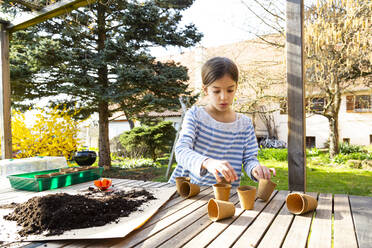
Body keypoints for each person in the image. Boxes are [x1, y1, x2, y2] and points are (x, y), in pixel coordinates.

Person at [169, 56, 275, 187]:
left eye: (230, 90)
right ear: (205, 90)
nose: (224, 97)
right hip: (187, 192)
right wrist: (207, 162)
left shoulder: (245, 124)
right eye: (216, 91)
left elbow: (249, 160)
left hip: (225, 196)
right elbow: (181, 150)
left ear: (236, 87)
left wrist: (255, 169)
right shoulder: (195, 116)